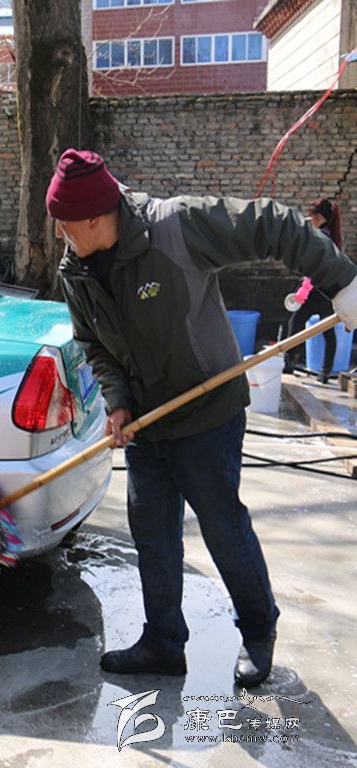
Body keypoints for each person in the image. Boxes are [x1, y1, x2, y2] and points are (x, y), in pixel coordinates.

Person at [48, 149, 357, 687]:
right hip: (148, 422)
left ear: (95, 218)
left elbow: (270, 222)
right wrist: (117, 401)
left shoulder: (177, 227)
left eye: (64, 222)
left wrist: (342, 281)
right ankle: (164, 642)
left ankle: (258, 632)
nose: (58, 233)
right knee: (153, 535)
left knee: (222, 529)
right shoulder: (76, 271)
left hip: (207, 415)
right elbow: (93, 343)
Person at [283, 198, 344, 382]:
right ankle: (325, 371)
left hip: (316, 290)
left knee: (295, 323)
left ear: (324, 218)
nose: (312, 218)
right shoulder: (332, 236)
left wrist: (304, 288)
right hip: (329, 290)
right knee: (327, 330)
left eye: (315, 215)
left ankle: (288, 363)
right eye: (311, 214)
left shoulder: (322, 237)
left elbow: (315, 265)